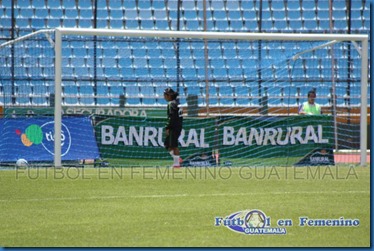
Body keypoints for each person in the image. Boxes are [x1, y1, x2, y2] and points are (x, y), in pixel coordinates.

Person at [163, 87, 183, 168]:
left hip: (173, 127)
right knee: (168, 144)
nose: (164, 97)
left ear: (169, 96)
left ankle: (176, 163)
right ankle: (177, 159)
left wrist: (168, 127)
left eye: (165, 95)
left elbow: (171, 117)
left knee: (173, 145)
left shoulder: (171, 104)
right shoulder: (177, 103)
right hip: (178, 126)